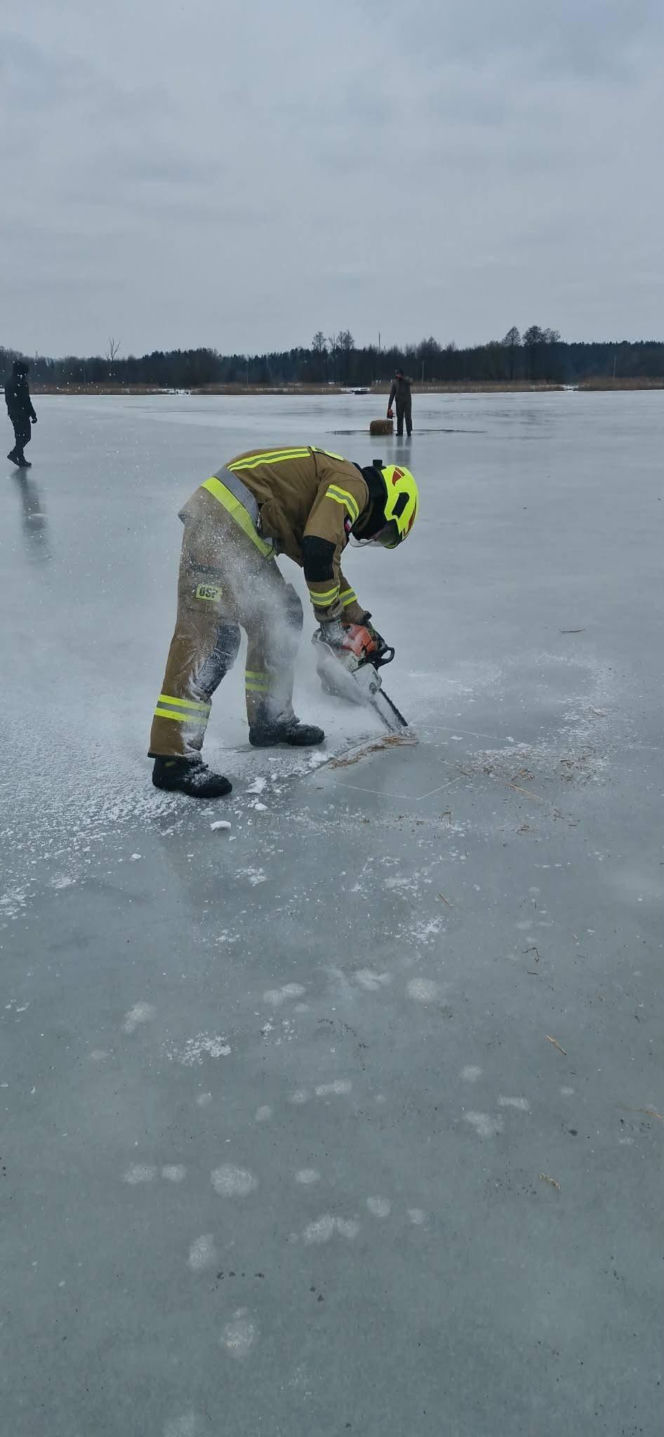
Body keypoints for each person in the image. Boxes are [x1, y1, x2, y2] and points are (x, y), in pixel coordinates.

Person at [149, 445, 419, 797]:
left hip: (242, 535)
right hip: (219, 526)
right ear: (389, 505)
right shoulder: (353, 486)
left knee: (282, 613)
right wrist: (333, 628)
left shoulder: (342, 483)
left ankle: (270, 720)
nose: (370, 538)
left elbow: (326, 563)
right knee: (213, 635)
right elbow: (320, 550)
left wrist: (359, 621)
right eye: (382, 533)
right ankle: (173, 758)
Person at [5, 359, 38, 468]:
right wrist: (32, 414)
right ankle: (14, 454)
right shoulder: (21, 383)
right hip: (21, 413)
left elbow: (8, 399)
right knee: (26, 436)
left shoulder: (9, 381)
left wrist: (12, 410)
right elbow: (26, 400)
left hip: (13, 413)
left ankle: (20, 458)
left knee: (19, 436)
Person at [387, 368, 413, 437]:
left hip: (407, 401)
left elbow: (411, 382)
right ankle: (400, 432)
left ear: (401, 374)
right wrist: (389, 407)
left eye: (398, 374)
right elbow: (392, 394)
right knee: (399, 417)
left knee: (408, 417)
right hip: (399, 402)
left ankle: (409, 431)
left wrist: (403, 378)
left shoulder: (406, 379)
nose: (397, 375)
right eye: (396, 374)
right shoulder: (395, 382)